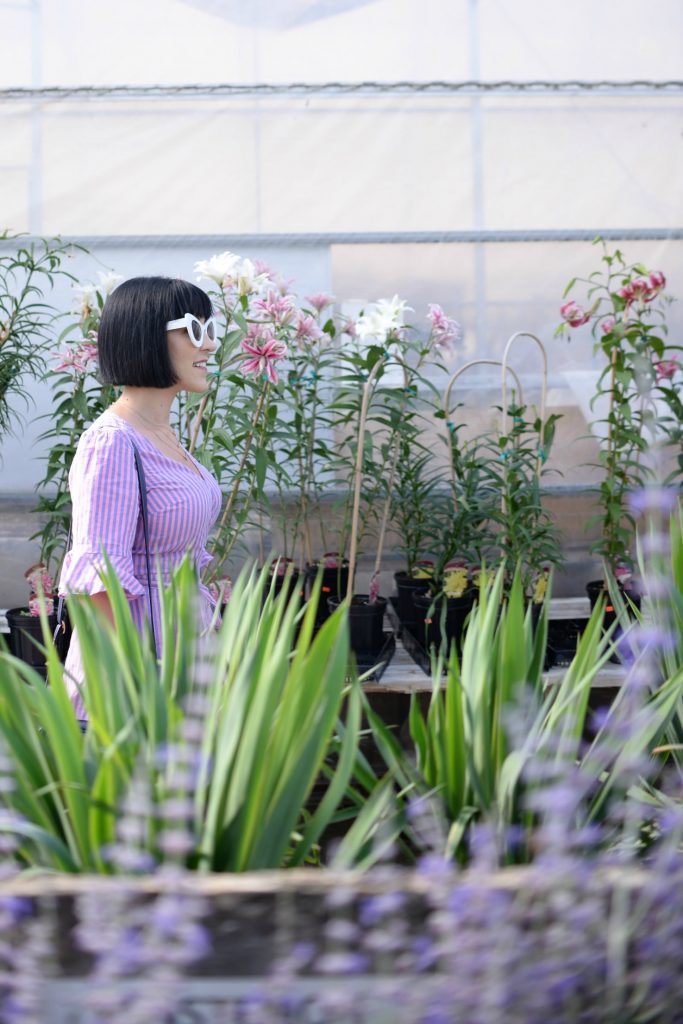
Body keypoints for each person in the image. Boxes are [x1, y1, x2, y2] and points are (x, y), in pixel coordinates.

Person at [58, 276, 222, 721]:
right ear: (146, 334)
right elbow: (99, 582)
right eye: (194, 330)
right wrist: (128, 692)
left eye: (211, 330)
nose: (209, 345)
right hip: (137, 676)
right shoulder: (112, 442)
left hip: (182, 654)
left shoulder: (162, 434)